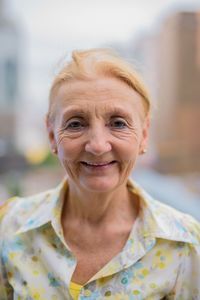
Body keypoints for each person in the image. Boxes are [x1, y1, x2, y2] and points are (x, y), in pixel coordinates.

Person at [0, 48, 199, 300]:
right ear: (51, 135)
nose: (97, 145)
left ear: (144, 134)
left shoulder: (183, 243)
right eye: (75, 123)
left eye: (118, 123)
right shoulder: (10, 229)